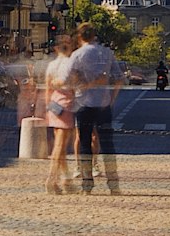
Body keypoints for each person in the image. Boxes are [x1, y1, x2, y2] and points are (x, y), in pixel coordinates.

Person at [55, 22, 123, 195]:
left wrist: (80, 85)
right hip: (103, 104)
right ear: (94, 35)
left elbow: (65, 80)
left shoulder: (77, 55)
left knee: (85, 144)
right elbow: (119, 77)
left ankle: (87, 184)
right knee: (108, 145)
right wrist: (112, 98)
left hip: (83, 104)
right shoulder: (107, 53)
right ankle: (113, 184)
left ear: (80, 37)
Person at [43, 35, 77, 194]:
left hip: (54, 105)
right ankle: (51, 179)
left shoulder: (51, 65)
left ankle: (67, 180)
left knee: (60, 144)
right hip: (66, 105)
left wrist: (47, 106)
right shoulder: (70, 64)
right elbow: (74, 85)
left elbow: (48, 88)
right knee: (60, 145)